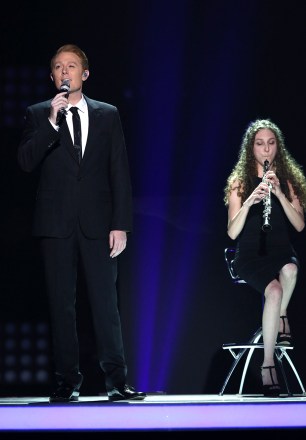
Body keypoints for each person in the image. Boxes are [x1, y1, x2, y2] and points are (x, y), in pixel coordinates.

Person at [17, 44, 146, 402]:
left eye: (71, 66)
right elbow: (26, 161)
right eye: (58, 67)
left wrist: (120, 223)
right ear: (52, 76)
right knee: (62, 304)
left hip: (98, 223)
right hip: (54, 224)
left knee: (106, 303)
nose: (64, 71)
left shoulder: (107, 115)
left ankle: (116, 382)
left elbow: (118, 170)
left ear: (84, 74)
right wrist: (50, 123)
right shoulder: (39, 113)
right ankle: (66, 381)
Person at [223, 119, 306, 397]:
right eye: (260, 144)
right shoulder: (239, 182)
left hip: (281, 251)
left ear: (277, 147)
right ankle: (267, 364)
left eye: (271, 144)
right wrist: (250, 201)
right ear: (252, 149)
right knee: (273, 290)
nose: (266, 150)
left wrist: (280, 193)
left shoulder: (289, 180)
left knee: (291, 272)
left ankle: (281, 312)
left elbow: (299, 225)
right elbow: (232, 233)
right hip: (250, 256)